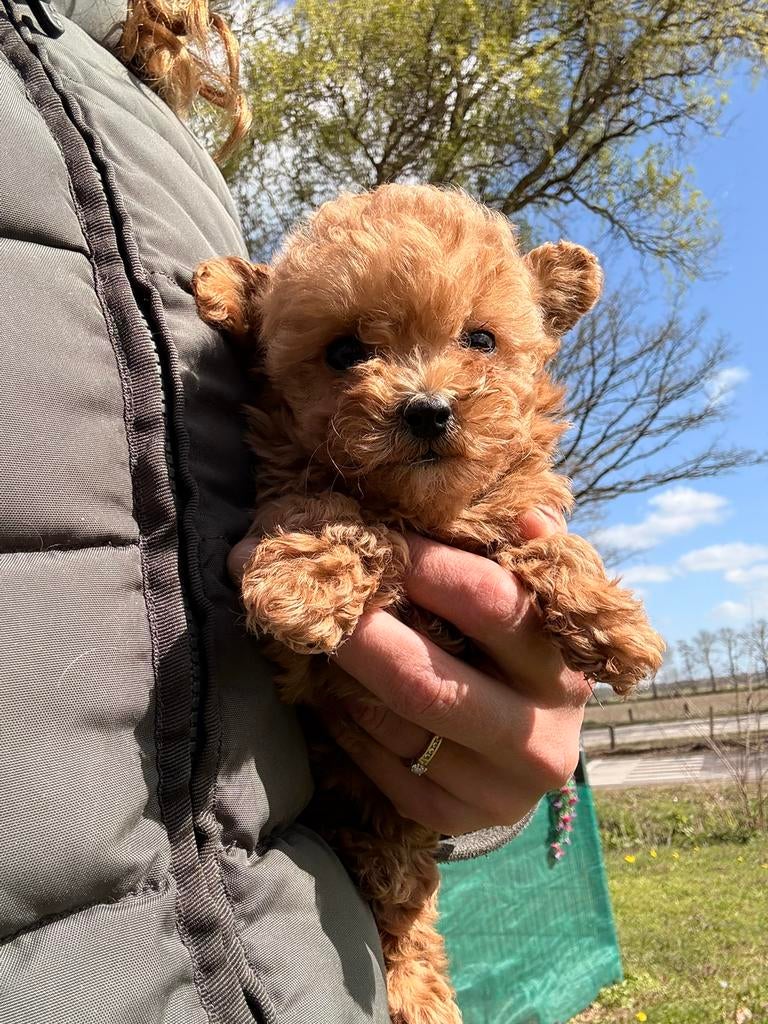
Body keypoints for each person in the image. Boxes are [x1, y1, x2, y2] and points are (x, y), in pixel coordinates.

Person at [0, 0, 589, 1020]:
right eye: (350, 352)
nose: (418, 388)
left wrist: (477, 764)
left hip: (318, 966)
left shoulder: (161, 106)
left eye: (476, 342)